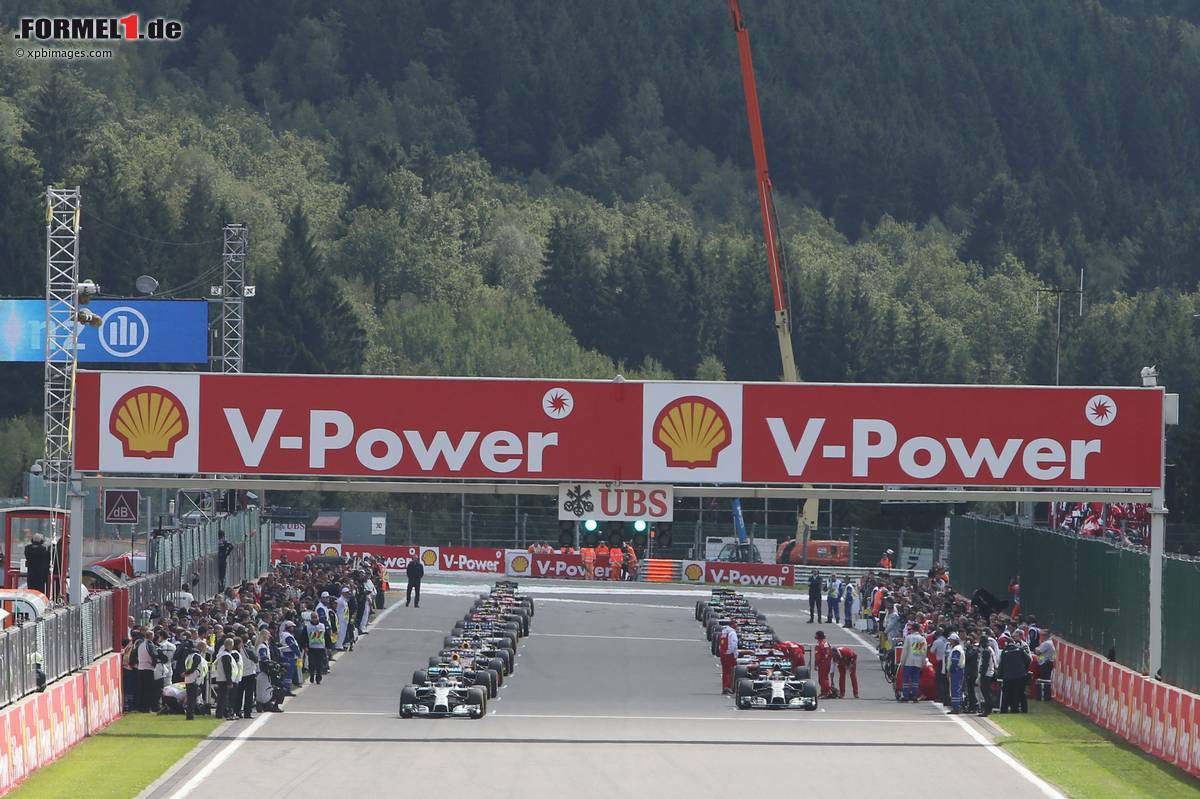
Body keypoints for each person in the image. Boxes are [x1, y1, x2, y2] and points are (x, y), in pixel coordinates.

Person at [998, 635, 1031, 713]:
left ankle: (1004, 710)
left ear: (1006, 644)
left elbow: (1001, 665)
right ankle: (1022, 709)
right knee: (1020, 693)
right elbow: (1028, 660)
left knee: (1006, 693)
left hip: (1008, 676)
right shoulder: (1020, 649)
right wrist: (1024, 669)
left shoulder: (1004, 652)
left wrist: (1000, 674)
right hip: (1020, 675)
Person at [899, 624, 928, 702]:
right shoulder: (922, 639)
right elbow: (924, 652)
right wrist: (923, 663)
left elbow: (905, 651)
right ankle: (915, 696)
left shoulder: (908, 638)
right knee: (915, 680)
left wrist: (902, 662)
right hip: (918, 661)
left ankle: (906, 696)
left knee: (906, 680)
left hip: (908, 661)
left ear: (912, 629)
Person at [182, 640, 208, 720]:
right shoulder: (196, 656)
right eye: (205, 647)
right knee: (192, 699)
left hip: (190, 679)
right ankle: (190, 716)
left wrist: (186, 673)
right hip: (194, 679)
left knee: (191, 698)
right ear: (201, 647)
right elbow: (194, 667)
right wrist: (186, 673)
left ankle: (190, 715)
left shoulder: (189, 656)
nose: (206, 649)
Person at [977, 629, 997, 717]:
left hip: (986, 674)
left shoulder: (986, 651)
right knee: (986, 692)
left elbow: (985, 665)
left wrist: (981, 676)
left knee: (985, 692)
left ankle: (987, 710)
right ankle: (988, 709)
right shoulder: (989, 649)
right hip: (989, 672)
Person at [946, 632, 966, 713]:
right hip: (958, 670)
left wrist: (950, 671)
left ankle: (956, 707)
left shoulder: (956, 649)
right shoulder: (957, 648)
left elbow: (954, 662)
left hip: (956, 671)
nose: (949, 642)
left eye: (950, 640)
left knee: (955, 689)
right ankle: (957, 706)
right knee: (957, 689)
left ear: (954, 640)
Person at [305, 612, 327, 685]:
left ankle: (318, 678)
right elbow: (304, 638)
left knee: (319, 664)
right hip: (311, 648)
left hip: (321, 648)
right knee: (311, 664)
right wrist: (305, 646)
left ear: (318, 617)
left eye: (316, 617)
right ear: (311, 618)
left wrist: (328, 647)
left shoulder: (322, 626)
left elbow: (326, 636)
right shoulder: (307, 627)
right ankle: (311, 675)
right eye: (313, 617)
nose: (314, 619)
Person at [1034, 628, 1056, 700]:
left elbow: (1038, 652)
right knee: (1045, 680)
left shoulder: (1046, 643)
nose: (1041, 637)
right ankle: (1045, 695)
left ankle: (1044, 696)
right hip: (1046, 662)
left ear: (1045, 636)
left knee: (1044, 680)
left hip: (1045, 664)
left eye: (1042, 635)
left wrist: (1036, 649)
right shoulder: (1049, 642)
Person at [718, 621, 739, 695]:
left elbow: (721, 644)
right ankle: (728, 687)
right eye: (736, 625)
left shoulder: (724, 632)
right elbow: (733, 644)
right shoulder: (732, 633)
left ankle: (725, 687)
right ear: (732, 625)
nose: (737, 627)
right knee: (731, 671)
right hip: (729, 655)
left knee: (725, 671)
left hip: (723, 654)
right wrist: (733, 654)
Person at [814, 630, 835, 698]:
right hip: (828, 662)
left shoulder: (819, 644)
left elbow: (817, 656)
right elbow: (831, 653)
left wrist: (816, 664)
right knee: (825, 677)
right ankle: (827, 691)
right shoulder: (826, 643)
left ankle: (825, 693)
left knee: (822, 679)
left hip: (822, 663)